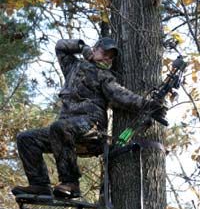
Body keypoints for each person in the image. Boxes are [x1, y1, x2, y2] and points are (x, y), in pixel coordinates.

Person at [12, 37, 166, 198]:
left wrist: (147, 105)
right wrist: (82, 47)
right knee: (26, 138)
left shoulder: (104, 76)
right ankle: (39, 185)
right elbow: (60, 46)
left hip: (92, 127)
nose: (108, 57)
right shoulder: (73, 66)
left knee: (59, 127)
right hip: (65, 131)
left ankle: (71, 183)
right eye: (105, 52)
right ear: (95, 48)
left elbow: (120, 95)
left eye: (111, 56)